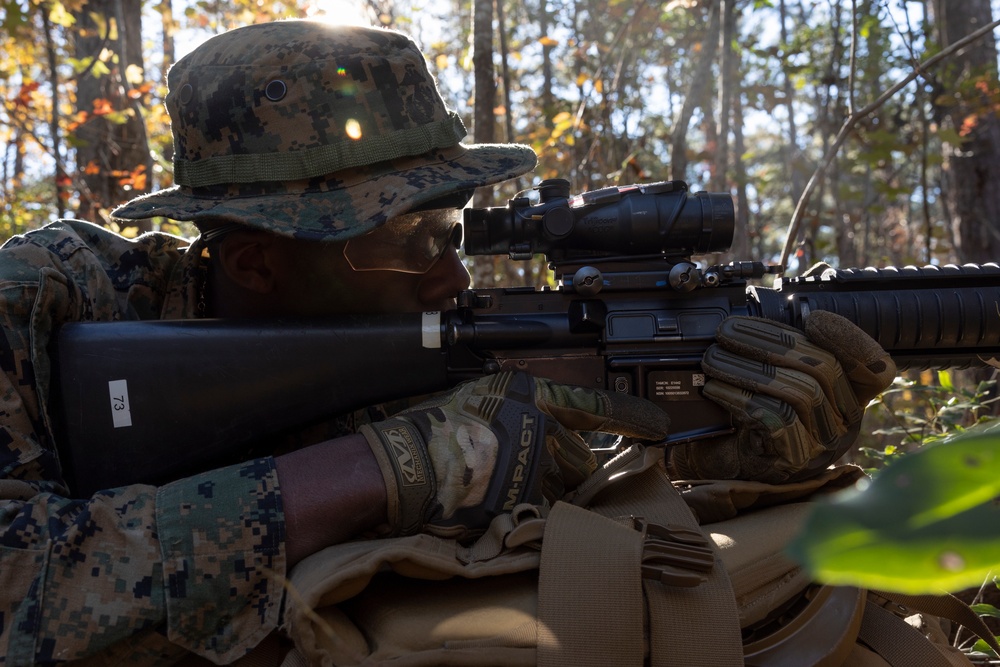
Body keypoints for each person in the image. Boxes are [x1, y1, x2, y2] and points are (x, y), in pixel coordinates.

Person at [0, 19, 894, 666]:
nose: (451, 275)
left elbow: (581, 542)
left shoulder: (436, 345)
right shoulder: (53, 299)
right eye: (407, 239)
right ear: (255, 261)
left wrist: (734, 457)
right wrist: (384, 469)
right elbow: (19, 590)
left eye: (452, 228)